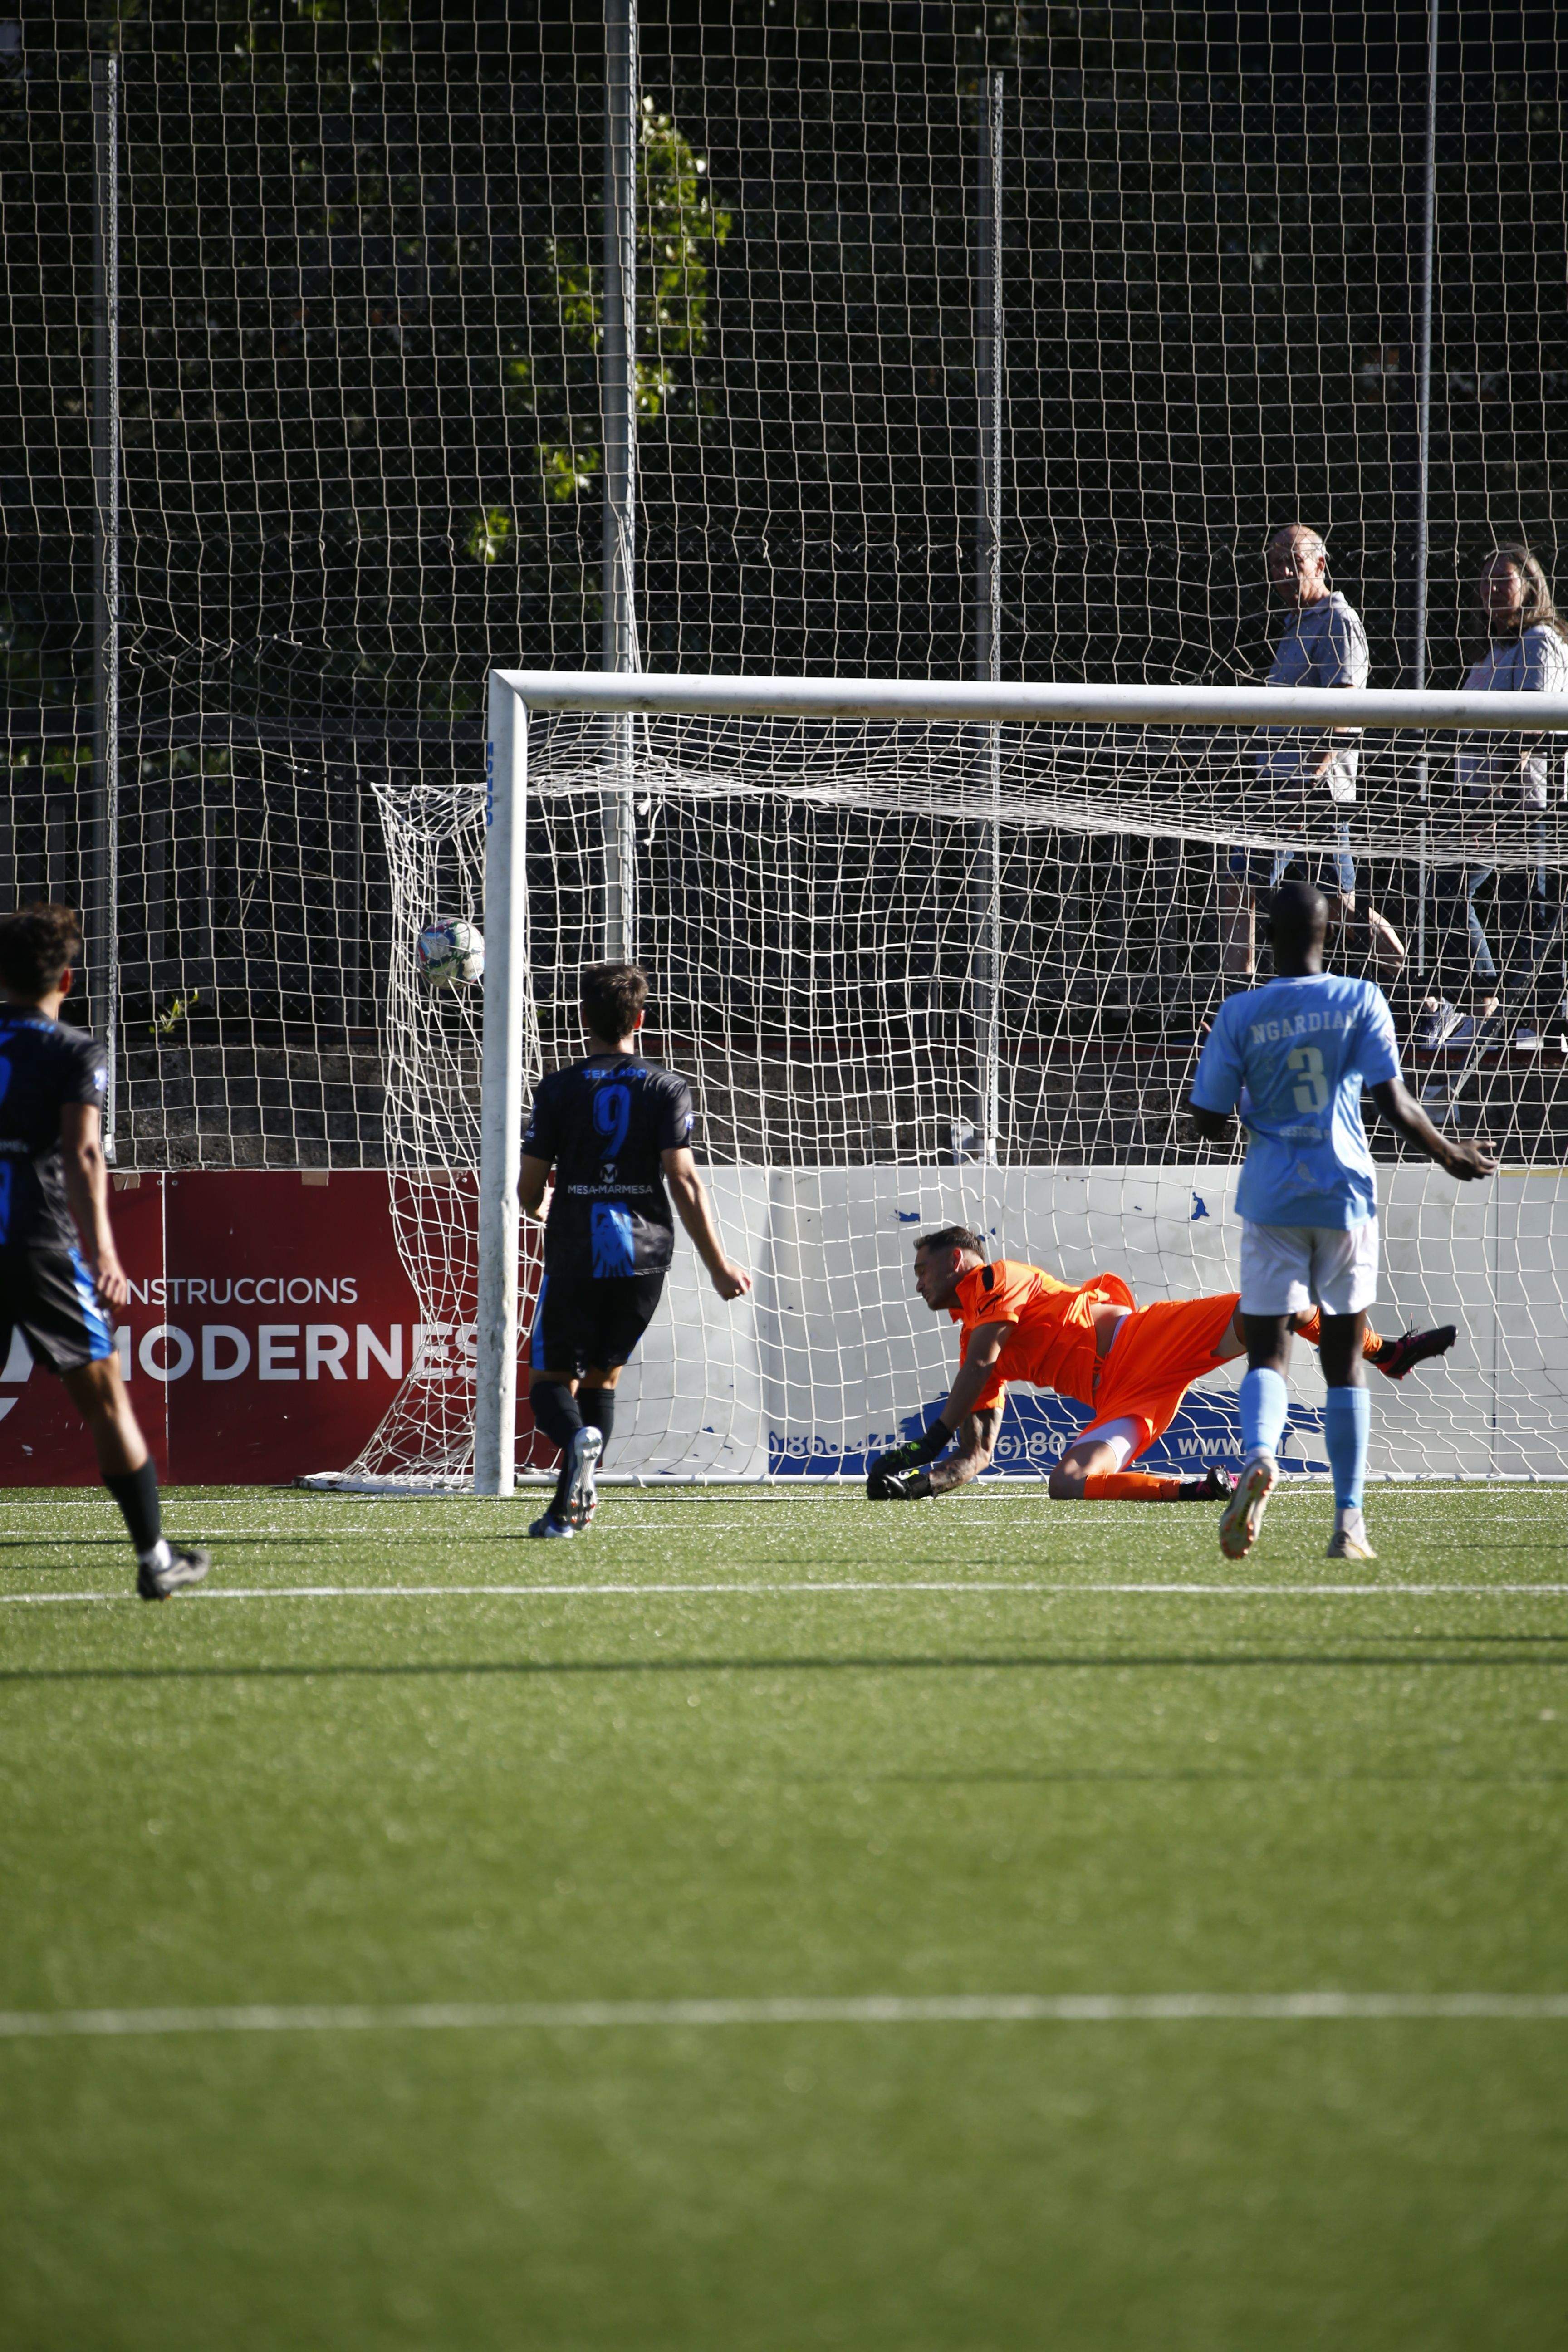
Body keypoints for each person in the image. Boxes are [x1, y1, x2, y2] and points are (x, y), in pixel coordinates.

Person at [1189, 882, 1494, 1563]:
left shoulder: (1239, 1013)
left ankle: (1260, 1457)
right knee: (1344, 1364)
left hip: (1273, 1201)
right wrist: (1450, 1155)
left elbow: (1206, 1125)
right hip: (1346, 1196)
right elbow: (1394, 1102)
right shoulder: (1359, 999)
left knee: (1268, 1353)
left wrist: (1243, 1095)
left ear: (1267, 937)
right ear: (1331, 936)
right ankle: (1349, 1524)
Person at [863, 1224, 1453, 1507]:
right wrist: (916, 1482)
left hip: (1141, 1341)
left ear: (960, 1261)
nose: (918, 1283)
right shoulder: (974, 1346)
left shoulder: (994, 1282)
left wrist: (926, 1441)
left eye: (923, 1269)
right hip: (1126, 1398)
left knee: (1281, 1303)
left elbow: (982, 1365)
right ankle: (1204, 1490)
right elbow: (976, 1456)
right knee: (1066, 1482)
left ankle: (1385, 1354)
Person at [0, 905, 208, 1598]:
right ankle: (155, 1559)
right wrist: (107, 1255)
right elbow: (85, 1152)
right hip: (39, 1247)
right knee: (107, 1402)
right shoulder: (74, 1051)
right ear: (67, 977)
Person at [517, 961, 751, 1537]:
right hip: (643, 1254)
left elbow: (528, 1185)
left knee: (551, 1383)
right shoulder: (667, 1085)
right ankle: (567, 1508)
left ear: (581, 1019)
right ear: (640, 1020)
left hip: (577, 1245)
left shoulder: (557, 1087)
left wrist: (537, 1205)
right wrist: (719, 1265)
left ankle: (577, 1443)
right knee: (602, 1380)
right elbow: (683, 1177)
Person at [1221, 523, 1405, 979]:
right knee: (1242, 884)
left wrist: (1308, 780)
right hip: (1278, 786)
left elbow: (1344, 709)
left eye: (1292, 563)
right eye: (1274, 565)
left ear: (1319, 564)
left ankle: (1418, 992)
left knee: (1340, 906)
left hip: (1312, 792)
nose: (1282, 572)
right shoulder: (1296, 624)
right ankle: (1233, 1002)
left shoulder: (1339, 622)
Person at [1417, 544, 1568, 1053]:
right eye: (1484, 582)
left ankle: (1544, 1025)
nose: (1491, 591)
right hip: (1480, 800)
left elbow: (1529, 733)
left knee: (1536, 910)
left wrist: (1496, 802)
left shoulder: (1540, 642)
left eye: (1503, 581)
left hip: (1522, 806)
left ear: (1531, 585)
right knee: (1457, 893)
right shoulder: (1494, 649)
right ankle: (1488, 1005)